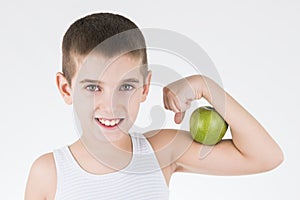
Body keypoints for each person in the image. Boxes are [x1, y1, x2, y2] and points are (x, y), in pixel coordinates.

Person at [25, 12, 283, 200]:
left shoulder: (160, 151)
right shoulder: (49, 173)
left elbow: (265, 156)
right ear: (66, 89)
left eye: (126, 87)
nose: (111, 106)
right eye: (93, 87)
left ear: (145, 88)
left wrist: (206, 86)